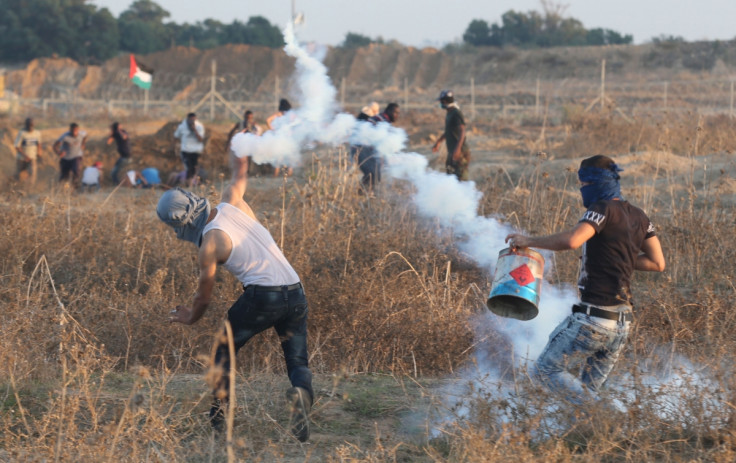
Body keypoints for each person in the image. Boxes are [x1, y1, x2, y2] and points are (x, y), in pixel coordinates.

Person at [156, 152, 313, 441]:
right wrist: (239, 149)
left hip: (264, 297)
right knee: (297, 361)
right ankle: (301, 395)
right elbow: (240, 173)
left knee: (223, 350)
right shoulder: (233, 201)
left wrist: (190, 317)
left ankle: (220, 422)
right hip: (296, 290)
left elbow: (204, 298)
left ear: (181, 223)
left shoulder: (210, 243)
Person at [505, 155, 666, 406]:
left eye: (582, 185)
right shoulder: (640, 216)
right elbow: (658, 262)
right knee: (584, 397)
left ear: (594, 183)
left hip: (594, 320)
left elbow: (572, 241)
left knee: (544, 372)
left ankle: (612, 416)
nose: (581, 190)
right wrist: (613, 256)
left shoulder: (601, 209)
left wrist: (529, 241)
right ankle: (596, 435)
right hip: (622, 325)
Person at [357, 103, 400, 192]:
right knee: (373, 174)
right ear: (388, 111)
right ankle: (363, 194)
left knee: (374, 174)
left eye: (398, 113)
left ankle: (364, 194)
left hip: (364, 149)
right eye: (395, 112)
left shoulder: (383, 121)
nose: (397, 115)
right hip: (362, 149)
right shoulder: (382, 120)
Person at [432, 90, 471, 181]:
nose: (440, 104)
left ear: (445, 101)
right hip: (452, 151)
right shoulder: (449, 113)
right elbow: (448, 131)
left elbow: (462, 131)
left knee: (461, 180)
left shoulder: (456, 113)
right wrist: (439, 142)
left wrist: (457, 149)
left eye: (441, 101)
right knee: (450, 178)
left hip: (460, 152)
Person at [174, 113, 205, 186]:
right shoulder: (182, 127)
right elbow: (176, 136)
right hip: (185, 151)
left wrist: (195, 130)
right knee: (188, 167)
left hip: (195, 151)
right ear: (187, 119)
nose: (192, 121)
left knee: (194, 168)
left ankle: (190, 184)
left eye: (194, 119)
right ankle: (188, 183)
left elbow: (200, 139)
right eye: (191, 120)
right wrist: (175, 147)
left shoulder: (199, 127)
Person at [267, 99, 294, 177]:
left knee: (278, 158)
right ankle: (289, 174)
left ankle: (275, 175)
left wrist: (272, 129)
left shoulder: (278, 114)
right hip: (289, 139)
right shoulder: (290, 115)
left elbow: (268, 120)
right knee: (290, 158)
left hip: (280, 138)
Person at [14, 117, 42, 187]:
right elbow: (17, 147)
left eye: (31, 125)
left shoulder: (37, 133)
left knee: (33, 173)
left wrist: (39, 154)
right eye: (29, 125)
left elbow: (38, 144)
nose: (30, 127)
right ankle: (16, 186)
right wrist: (25, 156)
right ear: (25, 125)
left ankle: (30, 188)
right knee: (19, 174)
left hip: (32, 157)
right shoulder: (22, 133)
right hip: (21, 158)